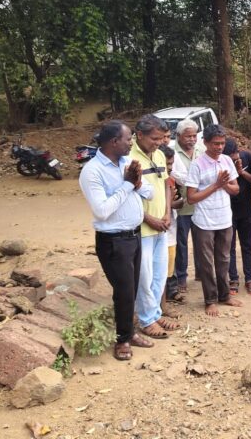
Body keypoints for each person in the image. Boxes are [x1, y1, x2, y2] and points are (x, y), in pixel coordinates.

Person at [79, 120, 154, 360]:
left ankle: (129, 332)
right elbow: (102, 211)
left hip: (134, 236)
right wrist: (127, 185)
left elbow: (150, 192)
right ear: (114, 141)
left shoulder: (126, 163)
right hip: (113, 241)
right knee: (123, 291)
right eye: (128, 138)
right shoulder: (92, 171)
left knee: (131, 289)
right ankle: (122, 340)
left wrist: (137, 182)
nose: (131, 143)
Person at [186, 124, 242, 316]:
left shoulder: (226, 160)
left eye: (222, 143)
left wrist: (224, 185)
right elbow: (191, 197)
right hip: (204, 221)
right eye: (215, 143)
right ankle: (210, 300)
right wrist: (216, 185)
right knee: (207, 263)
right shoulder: (197, 164)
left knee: (224, 259)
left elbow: (236, 189)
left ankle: (224, 296)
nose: (219, 147)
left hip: (224, 218)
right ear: (205, 143)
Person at [130, 115, 177, 338]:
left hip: (162, 226)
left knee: (159, 274)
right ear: (140, 135)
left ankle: (155, 313)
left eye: (162, 138)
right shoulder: (128, 157)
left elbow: (166, 185)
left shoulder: (158, 154)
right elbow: (127, 196)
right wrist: (149, 219)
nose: (159, 142)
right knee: (145, 277)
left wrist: (167, 213)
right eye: (155, 138)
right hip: (142, 229)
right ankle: (146, 320)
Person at [168, 119, 201, 293]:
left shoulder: (202, 151)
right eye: (188, 136)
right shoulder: (171, 152)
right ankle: (181, 278)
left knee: (202, 242)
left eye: (194, 136)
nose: (192, 139)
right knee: (181, 244)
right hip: (182, 207)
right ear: (179, 136)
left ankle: (201, 273)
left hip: (201, 206)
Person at [223, 139, 251, 295]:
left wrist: (242, 172)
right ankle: (233, 279)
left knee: (247, 246)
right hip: (227, 212)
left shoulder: (247, 158)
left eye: (236, 155)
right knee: (229, 247)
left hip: (246, 211)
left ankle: (249, 279)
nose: (235, 159)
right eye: (231, 158)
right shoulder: (220, 164)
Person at [159, 145, 185, 318]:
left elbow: (177, 202)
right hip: (156, 232)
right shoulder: (152, 180)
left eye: (171, 164)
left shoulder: (171, 180)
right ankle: (158, 308)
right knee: (157, 273)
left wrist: (175, 202)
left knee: (165, 273)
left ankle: (162, 305)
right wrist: (171, 203)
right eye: (167, 164)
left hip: (170, 233)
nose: (170, 168)